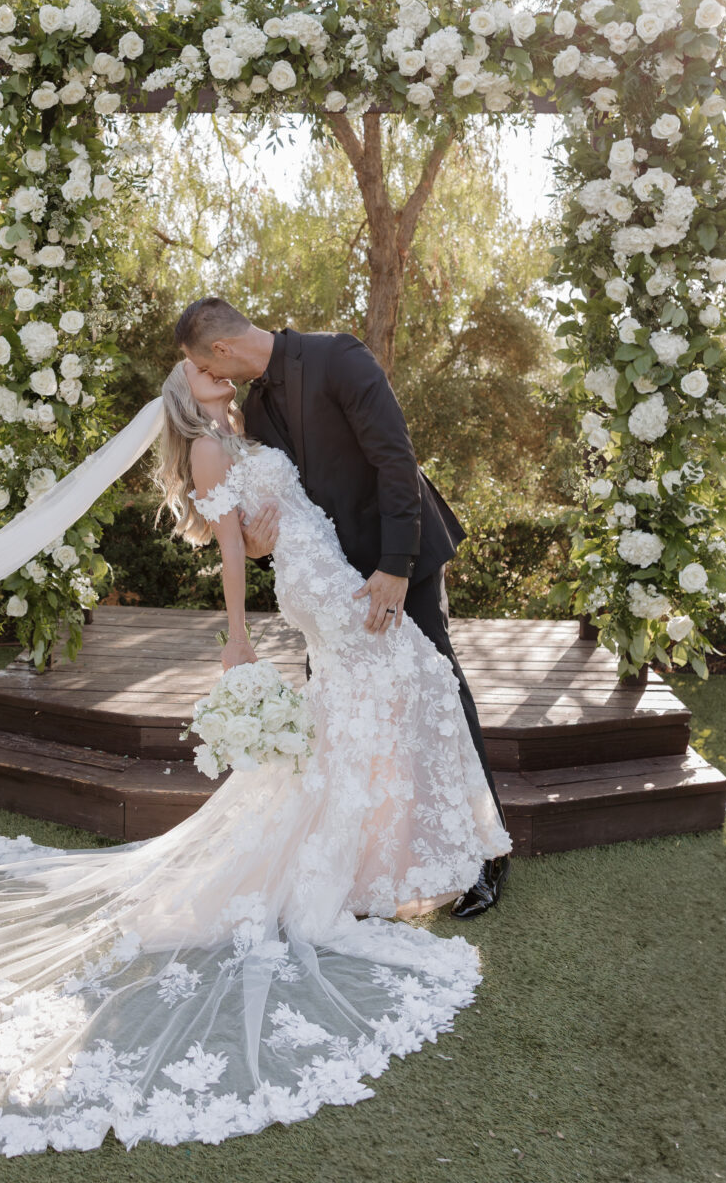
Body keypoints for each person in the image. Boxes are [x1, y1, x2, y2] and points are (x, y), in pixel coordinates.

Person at [0, 359, 511, 1157]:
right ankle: (387, 853)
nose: (215, 373)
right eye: (200, 370)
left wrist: (280, 531)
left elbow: (263, 519)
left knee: (387, 690)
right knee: (413, 672)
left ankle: (371, 853)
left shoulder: (240, 431)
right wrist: (236, 637)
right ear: (183, 394)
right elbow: (231, 547)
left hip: (320, 564)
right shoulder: (206, 449)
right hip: (314, 582)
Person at [176, 296, 510, 919]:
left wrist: (395, 567)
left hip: (399, 559)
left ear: (220, 349)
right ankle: (362, 855)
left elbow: (396, 459)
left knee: (436, 684)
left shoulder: (339, 356)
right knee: (340, 714)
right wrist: (258, 547)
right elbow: (278, 509)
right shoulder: (253, 411)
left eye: (208, 365)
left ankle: (485, 855)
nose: (213, 377)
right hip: (331, 586)